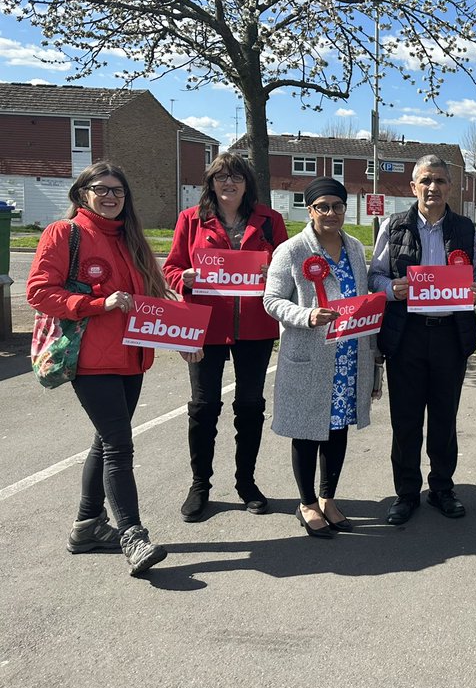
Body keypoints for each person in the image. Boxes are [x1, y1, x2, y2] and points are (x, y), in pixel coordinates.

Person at [27, 162, 188, 576]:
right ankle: (133, 535)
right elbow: (40, 292)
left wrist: (183, 338)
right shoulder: (66, 234)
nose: (111, 196)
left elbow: (156, 295)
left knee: (106, 439)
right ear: (83, 193)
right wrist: (98, 304)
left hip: (132, 358)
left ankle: (87, 526)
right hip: (91, 359)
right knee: (119, 444)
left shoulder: (130, 238)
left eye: (119, 190)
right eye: (102, 189)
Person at [164, 152, 288, 521]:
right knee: (204, 408)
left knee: (250, 408)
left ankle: (246, 482)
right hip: (205, 327)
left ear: (247, 183)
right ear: (211, 183)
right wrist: (181, 277)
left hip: (255, 329)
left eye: (236, 177)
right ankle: (200, 484)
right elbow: (171, 266)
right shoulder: (191, 220)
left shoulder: (270, 221)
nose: (228, 183)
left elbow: (285, 269)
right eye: (221, 177)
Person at [368, 155, 476, 525]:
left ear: (450, 186)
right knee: (405, 419)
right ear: (413, 187)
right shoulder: (394, 225)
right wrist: (392, 289)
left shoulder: (466, 229)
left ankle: (442, 489)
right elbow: (374, 276)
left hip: (451, 335)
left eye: (439, 181)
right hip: (407, 336)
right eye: (426, 181)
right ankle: (406, 493)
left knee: (444, 419)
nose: (433, 188)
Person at [263, 177, 377, 539]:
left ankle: (328, 498)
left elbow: (363, 297)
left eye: (338, 206)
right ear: (310, 210)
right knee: (307, 431)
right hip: (309, 357)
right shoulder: (292, 250)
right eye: (322, 207)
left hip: (347, 357)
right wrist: (306, 316)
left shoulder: (356, 248)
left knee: (338, 429)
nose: (331, 213)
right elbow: (271, 300)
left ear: (346, 210)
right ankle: (307, 502)